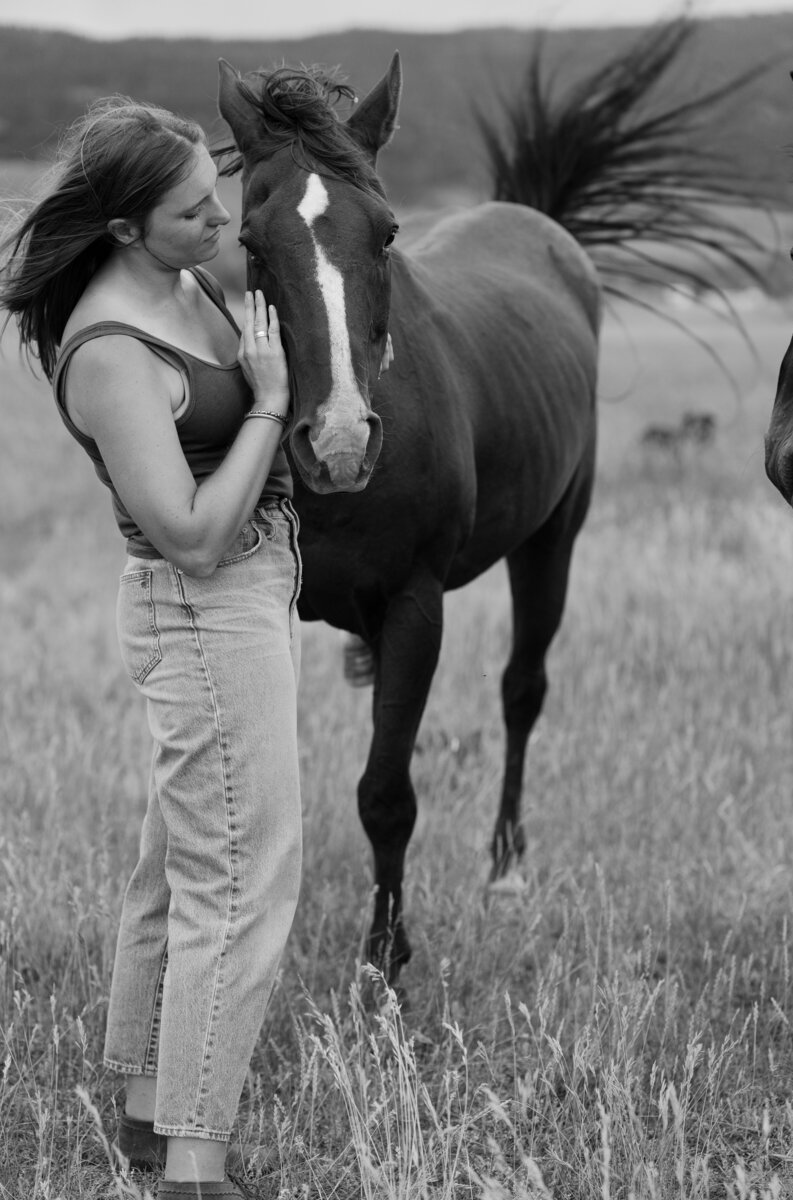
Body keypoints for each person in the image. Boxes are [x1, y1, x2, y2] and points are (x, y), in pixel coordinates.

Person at [1, 97, 306, 1199]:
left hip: (257, 589)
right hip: (205, 605)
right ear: (127, 227)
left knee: (178, 866)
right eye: (191, 211)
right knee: (244, 879)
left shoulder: (181, 284)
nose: (216, 221)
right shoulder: (107, 351)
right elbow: (186, 534)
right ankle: (193, 1165)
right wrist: (268, 408)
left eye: (213, 196)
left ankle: (144, 1113)